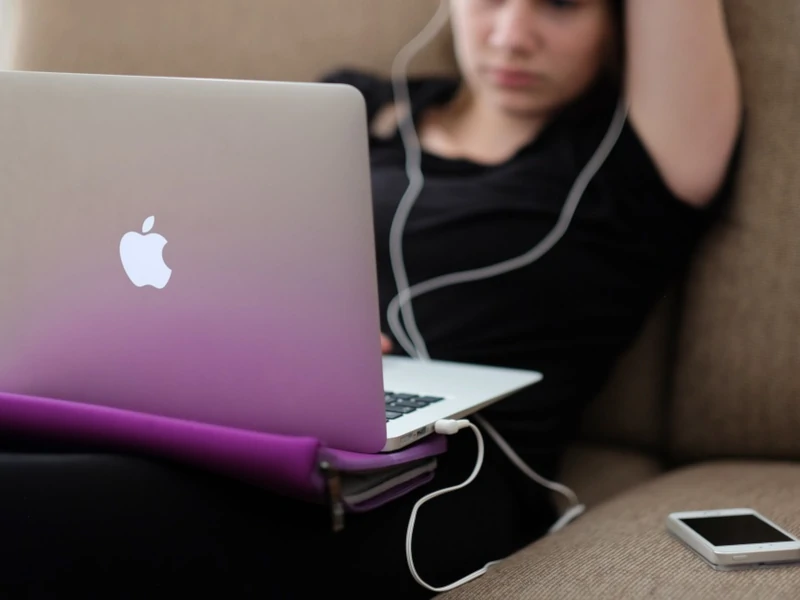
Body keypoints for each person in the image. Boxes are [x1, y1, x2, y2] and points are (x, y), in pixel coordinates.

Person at [0, 0, 742, 598]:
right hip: (249, 405)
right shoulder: (350, 110)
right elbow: (209, 259)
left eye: (559, 5)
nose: (513, 34)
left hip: (441, 471)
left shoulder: (635, 162)